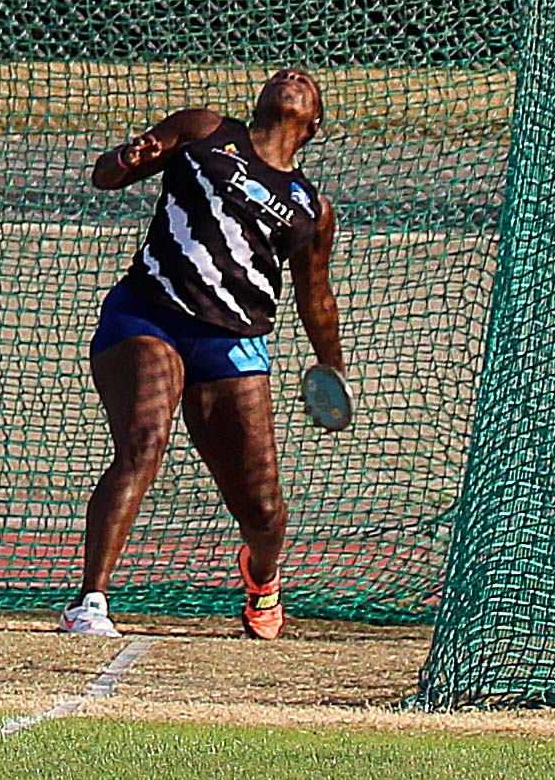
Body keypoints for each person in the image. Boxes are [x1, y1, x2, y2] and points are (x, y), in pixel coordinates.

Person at [58, 68, 344, 640]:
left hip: (233, 341)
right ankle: (90, 602)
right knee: (144, 439)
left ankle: (262, 580)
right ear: (260, 100)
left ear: (311, 125)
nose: (293, 77)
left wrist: (331, 365)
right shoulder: (205, 130)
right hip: (148, 313)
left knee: (264, 511)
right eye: (283, 75)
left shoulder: (311, 208)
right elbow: (106, 176)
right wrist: (124, 158)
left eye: (306, 84)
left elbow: (316, 297)